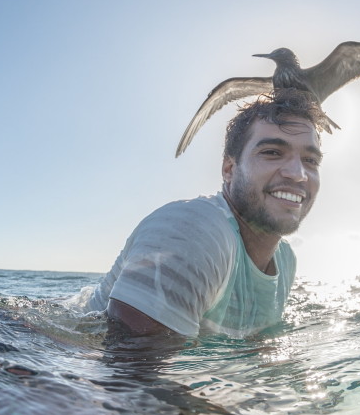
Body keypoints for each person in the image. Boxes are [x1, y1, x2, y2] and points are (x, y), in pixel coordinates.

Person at [87, 88, 325, 339]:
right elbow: (125, 372)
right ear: (229, 169)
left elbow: (257, 354)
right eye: (272, 153)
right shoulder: (191, 231)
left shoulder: (285, 260)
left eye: (310, 160)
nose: (298, 173)